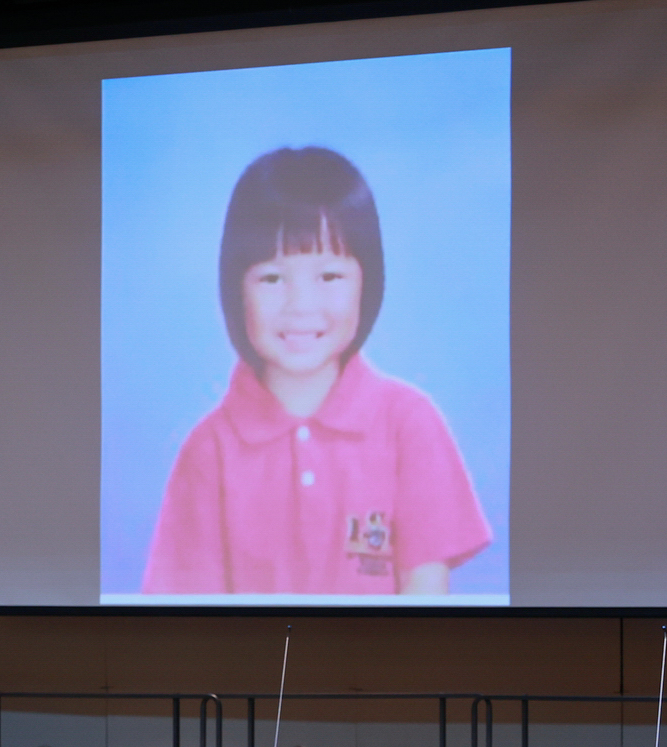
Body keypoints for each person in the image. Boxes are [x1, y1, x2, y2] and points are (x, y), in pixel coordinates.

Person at [143, 145, 490, 596]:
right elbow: (190, 616)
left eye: (329, 277)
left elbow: (426, 594)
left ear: (368, 282)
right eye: (272, 278)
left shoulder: (409, 425)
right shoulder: (209, 451)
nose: (301, 306)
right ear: (235, 290)